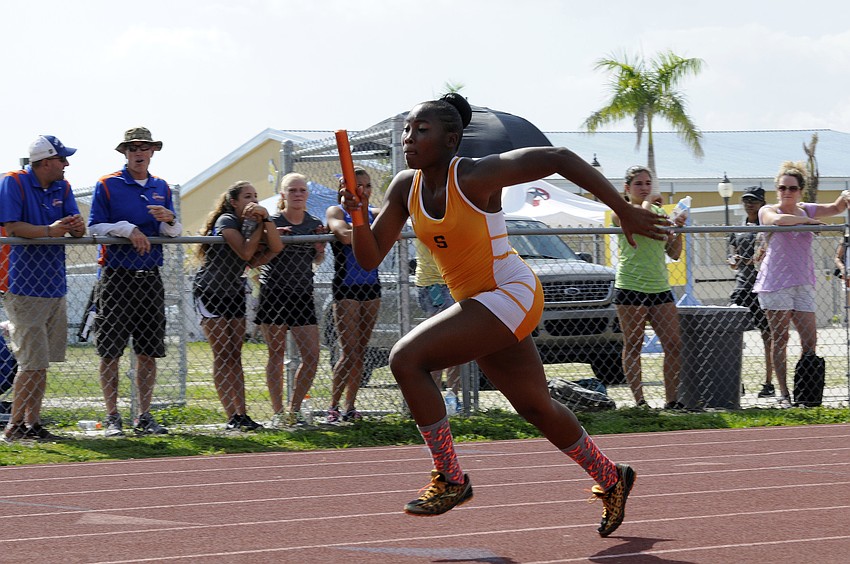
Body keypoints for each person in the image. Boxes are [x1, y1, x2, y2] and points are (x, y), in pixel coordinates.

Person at [340, 94, 666, 535]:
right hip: (480, 302)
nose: (408, 139)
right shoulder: (404, 186)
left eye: (421, 130)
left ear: (451, 138)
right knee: (536, 407)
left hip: (510, 290)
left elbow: (559, 157)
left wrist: (621, 207)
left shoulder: (475, 175)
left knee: (406, 359)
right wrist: (359, 212)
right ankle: (611, 476)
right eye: (407, 131)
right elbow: (371, 255)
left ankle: (451, 477)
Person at [88, 127, 181, 436]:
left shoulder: (161, 186)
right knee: (110, 351)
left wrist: (169, 218)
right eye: (133, 148)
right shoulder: (107, 185)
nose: (139, 153)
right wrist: (127, 229)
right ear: (124, 153)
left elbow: (173, 233)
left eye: (145, 148)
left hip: (150, 277)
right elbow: (94, 228)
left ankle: (144, 415)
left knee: (148, 351)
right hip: (116, 277)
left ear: (153, 151)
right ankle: (113, 416)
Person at [0, 135, 86, 442]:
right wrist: (51, 230)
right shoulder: (14, 182)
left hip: (54, 283)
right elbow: (12, 228)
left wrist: (76, 229)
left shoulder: (63, 187)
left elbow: (78, 229)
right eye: (62, 159)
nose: (67, 164)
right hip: (23, 284)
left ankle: (32, 424)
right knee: (31, 363)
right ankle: (13, 427)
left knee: (41, 363)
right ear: (46, 162)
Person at [753, 161, 850, 408]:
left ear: (800, 190)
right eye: (782, 188)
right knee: (780, 337)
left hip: (803, 281)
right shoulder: (767, 209)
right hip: (776, 283)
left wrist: (844, 196)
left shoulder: (806, 209)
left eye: (792, 188)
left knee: (810, 340)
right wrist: (810, 223)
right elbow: (777, 221)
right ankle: (783, 394)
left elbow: (835, 208)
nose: (787, 192)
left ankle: (806, 392)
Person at [194, 181, 281, 431]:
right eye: (247, 196)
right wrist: (257, 227)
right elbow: (244, 252)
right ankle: (231, 415)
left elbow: (276, 247)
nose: (253, 200)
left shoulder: (254, 222)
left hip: (233, 292)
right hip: (210, 291)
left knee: (235, 355)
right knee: (222, 354)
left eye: (256, 196)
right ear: (234, 202)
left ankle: (242, 414)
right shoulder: (226, 220)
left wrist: (267, 221)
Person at [251, 173, 325, 427]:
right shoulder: (271, 221)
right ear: (283, 194)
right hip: (274, 293)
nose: (297, 194)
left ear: (307, 194)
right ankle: (278, 412)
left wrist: (319, 250)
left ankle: (294, 410)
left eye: (302, 190)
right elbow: (254, 260)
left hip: (303, 293)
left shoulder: (314, 223)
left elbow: (316, 261)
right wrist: (273, 240)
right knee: (276, 354)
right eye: (292, 190)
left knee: (312, 356)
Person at [612, 166, 686, 410]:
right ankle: (640, 402)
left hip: (659, 288)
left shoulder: (656, 212)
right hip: (631, 286)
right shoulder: (621, 212)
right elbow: (639, 215)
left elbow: (673, 253)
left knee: (674, 344)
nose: (644, 188)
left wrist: (678, 228)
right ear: (627, 188)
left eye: (647, 183)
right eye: (638, 184)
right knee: (634, 343)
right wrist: (651, 204)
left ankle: (672, 400)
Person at [325, 167, 381, 424]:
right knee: (349, 353)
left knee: (361, 350)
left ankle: (350, 406)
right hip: (346, 288)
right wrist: (369, 229)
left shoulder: (374, 212)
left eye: (368, 186)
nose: (365, 191)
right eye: (359, 186)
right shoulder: (336, 211)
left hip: (371, 286)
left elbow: (401, 218)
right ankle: (333, 406)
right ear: (345, 189)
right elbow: (346, 236)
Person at [727, 186, 774, 398]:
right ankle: (735, 382)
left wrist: (748, 260)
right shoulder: (738, 229)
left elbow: (764, 256)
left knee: (768, 335)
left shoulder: (767, 226)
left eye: (754, 200)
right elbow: (732, 258)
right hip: (742, 285)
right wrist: (734, 261)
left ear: (762, 202)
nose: (749, 204)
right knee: (730, 332)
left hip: (763, 285)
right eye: (746, 200)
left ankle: (768, 383)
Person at [414, 238, 462, 413]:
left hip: (453, 283)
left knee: (454, 345)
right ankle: (435, 402)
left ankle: (452, 398)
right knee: (439, 345)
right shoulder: (426, 216)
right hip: (433, 285)